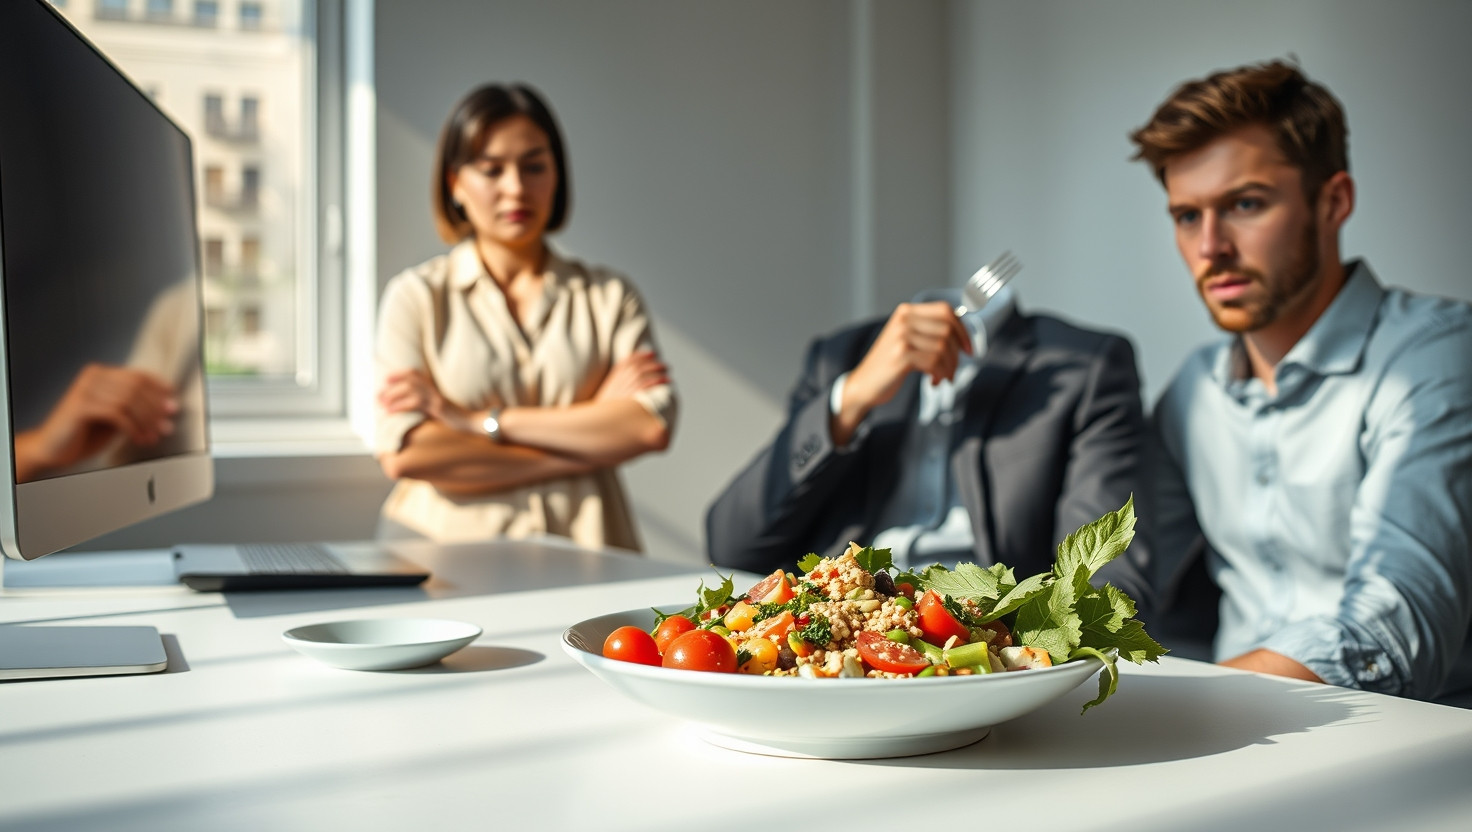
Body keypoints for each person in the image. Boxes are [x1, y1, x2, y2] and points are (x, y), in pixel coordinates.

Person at [1131, 60, 1472, 700]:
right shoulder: (1193, 392)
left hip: (1406, 747)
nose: (1211, 248)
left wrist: (1171, 708)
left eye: (1245, 204)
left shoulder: (1437, 356)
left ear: (1333, 202)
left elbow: (1392, 634)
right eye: (1186, 216)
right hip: (1230, 738)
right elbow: (1129, 587)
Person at [704, 277, 1153, 606]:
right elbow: (731, 543)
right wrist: (849, 399)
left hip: (985, 627)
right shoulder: (840, 357)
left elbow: (1106, 577)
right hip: (839, 615)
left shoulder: (1086, 365)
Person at [374, 84, 676, 552]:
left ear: (557, 175)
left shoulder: (610, 296)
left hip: (593, 561)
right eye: (491, 169)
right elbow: (408, 452)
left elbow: (647, 427)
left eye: (534, 166)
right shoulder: (415, 298)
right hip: (440, 562)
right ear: (454, 182)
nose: (516, 187)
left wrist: (473, 421)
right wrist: (583, 449)